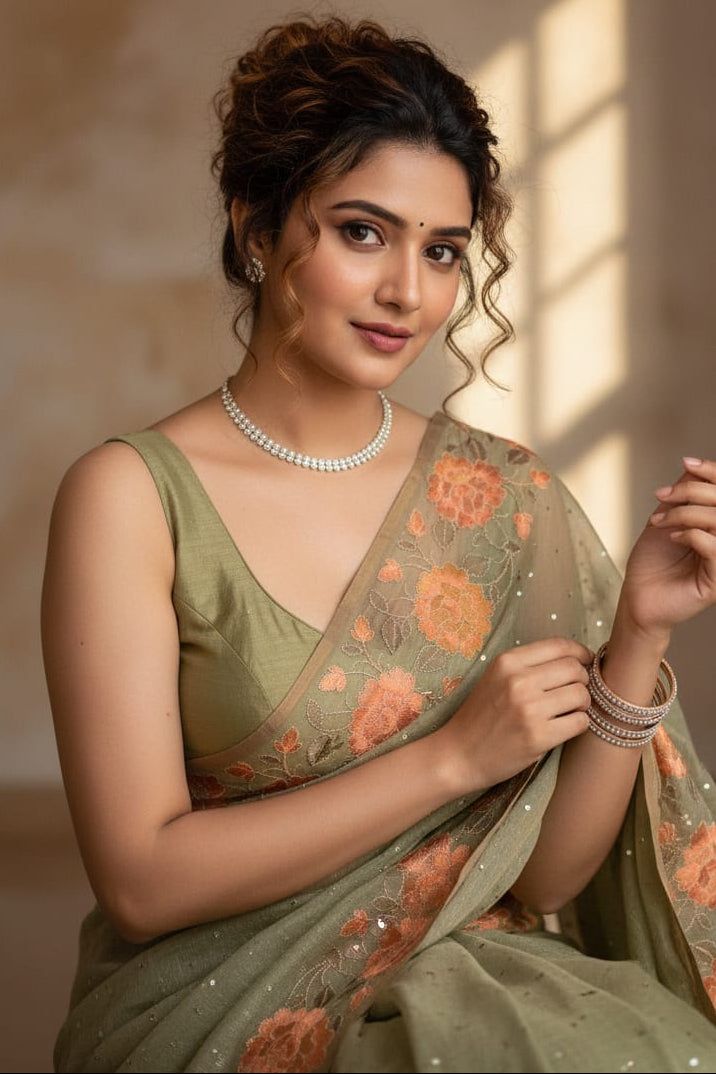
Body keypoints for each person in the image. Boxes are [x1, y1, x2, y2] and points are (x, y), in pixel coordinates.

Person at [41, 15, 716, 1074]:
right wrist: (454, 758)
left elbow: (544, 886)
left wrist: (634, 633)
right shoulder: (132, 498)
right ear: (256, 228)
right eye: (363, 232)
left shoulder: (504, 498)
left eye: (442, 251)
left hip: (481, 987)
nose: (409, 291)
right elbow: (140, 877)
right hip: (217, 1009)